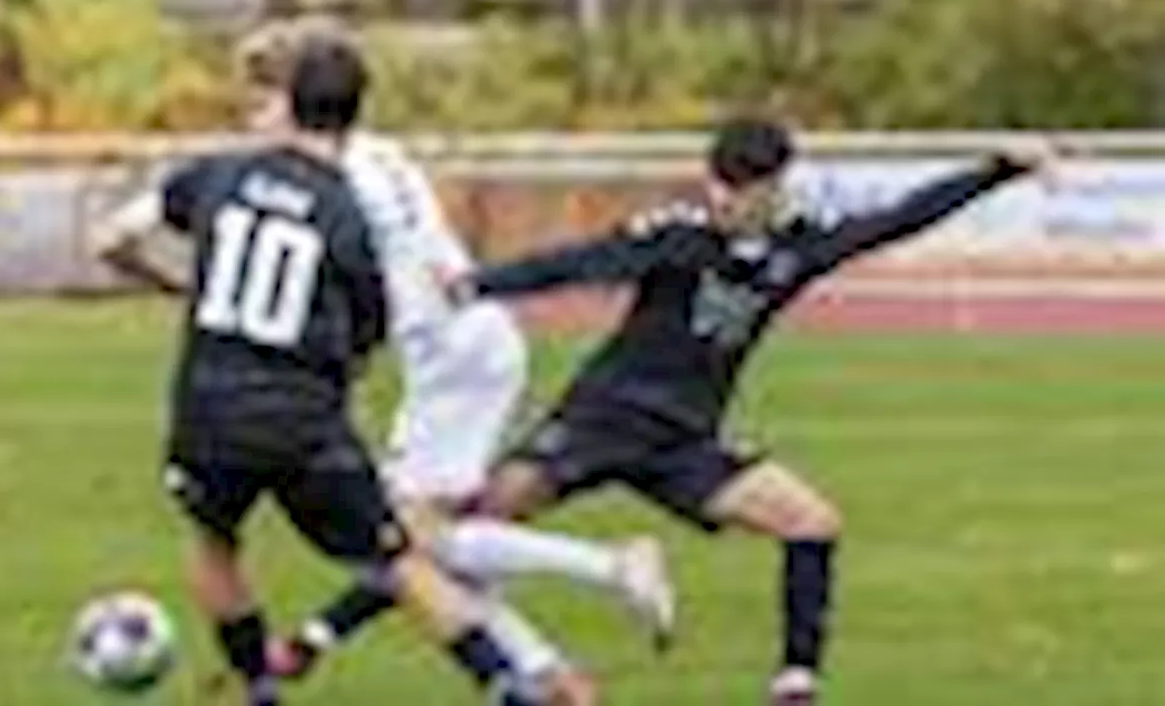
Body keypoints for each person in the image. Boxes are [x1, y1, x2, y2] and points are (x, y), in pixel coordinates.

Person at [422, 119, 1050, 705]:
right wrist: (481, 284)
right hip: (601, 420)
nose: (722, 200)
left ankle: (796, 684)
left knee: (812, 522)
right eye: (717, 184)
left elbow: (898, 220)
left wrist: (996, 170)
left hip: (684, 442)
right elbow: (579, 262)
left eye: (741, 190)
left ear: (773, 188)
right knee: (458, 537)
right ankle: (327, 632)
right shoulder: (677, 234)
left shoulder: (800, 245)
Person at [129, 36, 556, 706]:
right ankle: (504, 684)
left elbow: (114, 238)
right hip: (306, 422)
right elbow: (364, 331)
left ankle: (259, 688)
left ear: (288, 103)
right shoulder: (347, 215)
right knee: (398, 561)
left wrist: (174, 287)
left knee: (215, 543)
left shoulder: (217, 175)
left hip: (210, 411)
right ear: (355, 115)